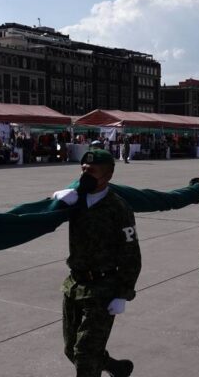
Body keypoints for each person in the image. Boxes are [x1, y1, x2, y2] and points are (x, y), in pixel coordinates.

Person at [52, 149, 141, 377]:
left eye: (91, 171)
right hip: (74, 285)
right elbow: (40, 216)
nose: (85, 174)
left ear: (108, 175)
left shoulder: (119, 208)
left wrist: (123, 293)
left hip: (102, 289)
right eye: (83, 169)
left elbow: (131, 254)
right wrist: (54, 202)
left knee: (84, 355)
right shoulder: (75, 201)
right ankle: (116, 367)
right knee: (71, 349)